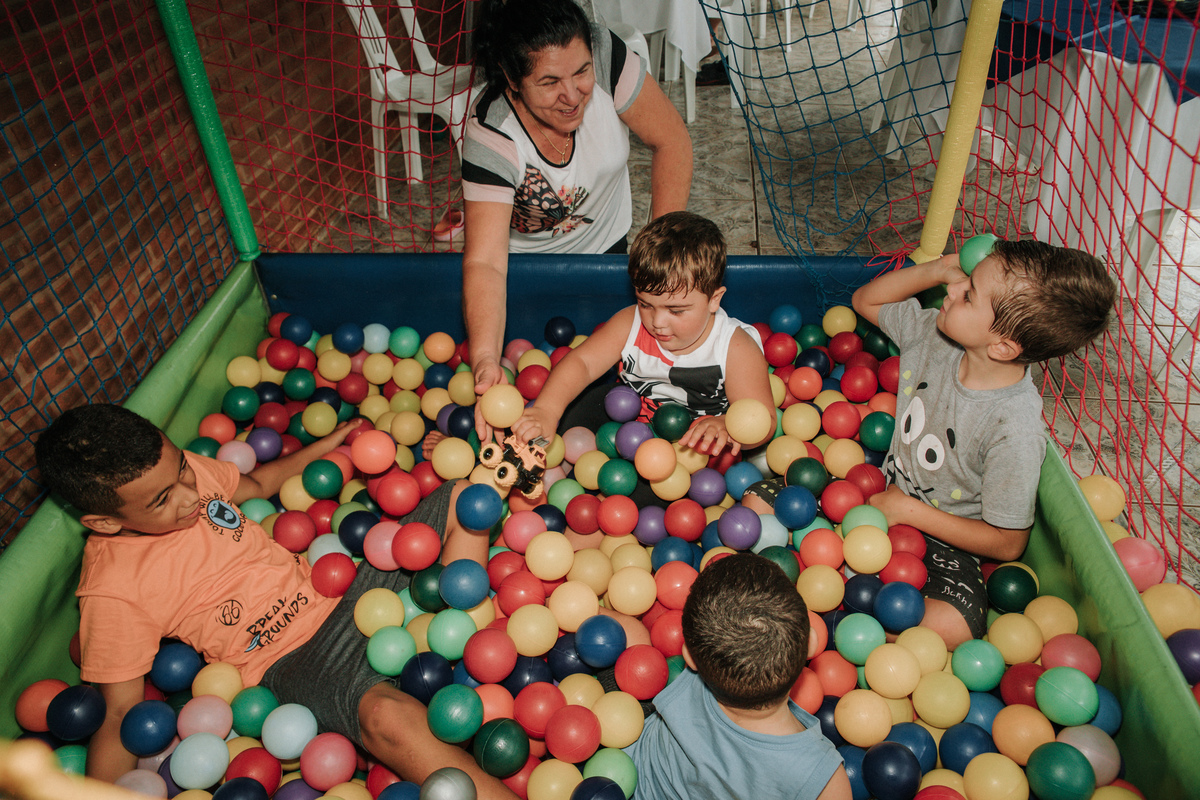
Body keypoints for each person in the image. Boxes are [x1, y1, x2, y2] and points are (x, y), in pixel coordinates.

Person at [33, 404, 522, 799]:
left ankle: (468, 648)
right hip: (292, 660)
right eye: (162, 500)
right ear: (105, 522)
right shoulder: (113, 588)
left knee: (464, 496)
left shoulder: (184, 475)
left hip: (344, 597)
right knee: (384, 717)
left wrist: (329, 445)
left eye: (182, 468)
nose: (188, 494)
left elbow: (257, 485)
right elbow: (120, 714)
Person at [851, 238, 1117, 649]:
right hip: (877, 496)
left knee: (958, 624)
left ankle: (851, 616)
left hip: (946, 542)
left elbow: (1008, 542)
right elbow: (864, 300)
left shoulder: (1013, 429)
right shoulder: (933, 336)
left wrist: (910, 511)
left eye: (969, 294)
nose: (953, 288)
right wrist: (938, 269)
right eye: (964, 280)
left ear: (1002, 346)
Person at [460, 0, 692, 440]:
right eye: (549, 82)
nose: (572, 95)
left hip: (609, 252)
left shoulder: (604, 54)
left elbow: (672, 141)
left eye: (580, 73)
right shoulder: (491, 134)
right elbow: (486, 262)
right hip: (525, 271)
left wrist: (658, 260)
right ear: (512, 79)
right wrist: (487, 359)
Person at [511, 211, 774, 462]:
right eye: (645, 304)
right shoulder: (630, 323)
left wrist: (727, 427)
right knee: (569, 421)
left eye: (676, 310)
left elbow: (765, 421)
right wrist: (547, 409)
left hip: (695, 446)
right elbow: (583, 363)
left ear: (714, 299)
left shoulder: (735, 347)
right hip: (626, 415)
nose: (657, 322)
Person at [623, 553, 851, 800]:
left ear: (689, 658)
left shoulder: (706, 662)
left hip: (620, 771)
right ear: (812, 643)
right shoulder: (822, 779)